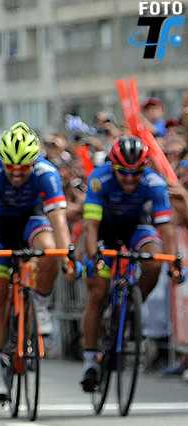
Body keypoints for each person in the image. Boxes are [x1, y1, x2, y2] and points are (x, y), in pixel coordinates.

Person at [0, 122, 76, 402]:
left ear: (34, 162)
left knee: (50, 251)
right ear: (1, 161)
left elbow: (59, 222)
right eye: (11, 168)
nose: (17, 173)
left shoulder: (47, 173)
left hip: (31, 218)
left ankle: (40, 303)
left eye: (24, 168)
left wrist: (68, 257)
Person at [80, 135, 182, 392]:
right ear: (113, 167)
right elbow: (90, 227)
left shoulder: (154, 182)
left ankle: (133, 305)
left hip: (136, 227)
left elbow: (167, 230)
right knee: (98, 292)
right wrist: (94, 258)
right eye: (123, 172)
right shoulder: (99, 178)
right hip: (104, 230)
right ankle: (90, 360)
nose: (129, 178)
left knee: (154, 260)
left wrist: (174, 262)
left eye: (136, 173)